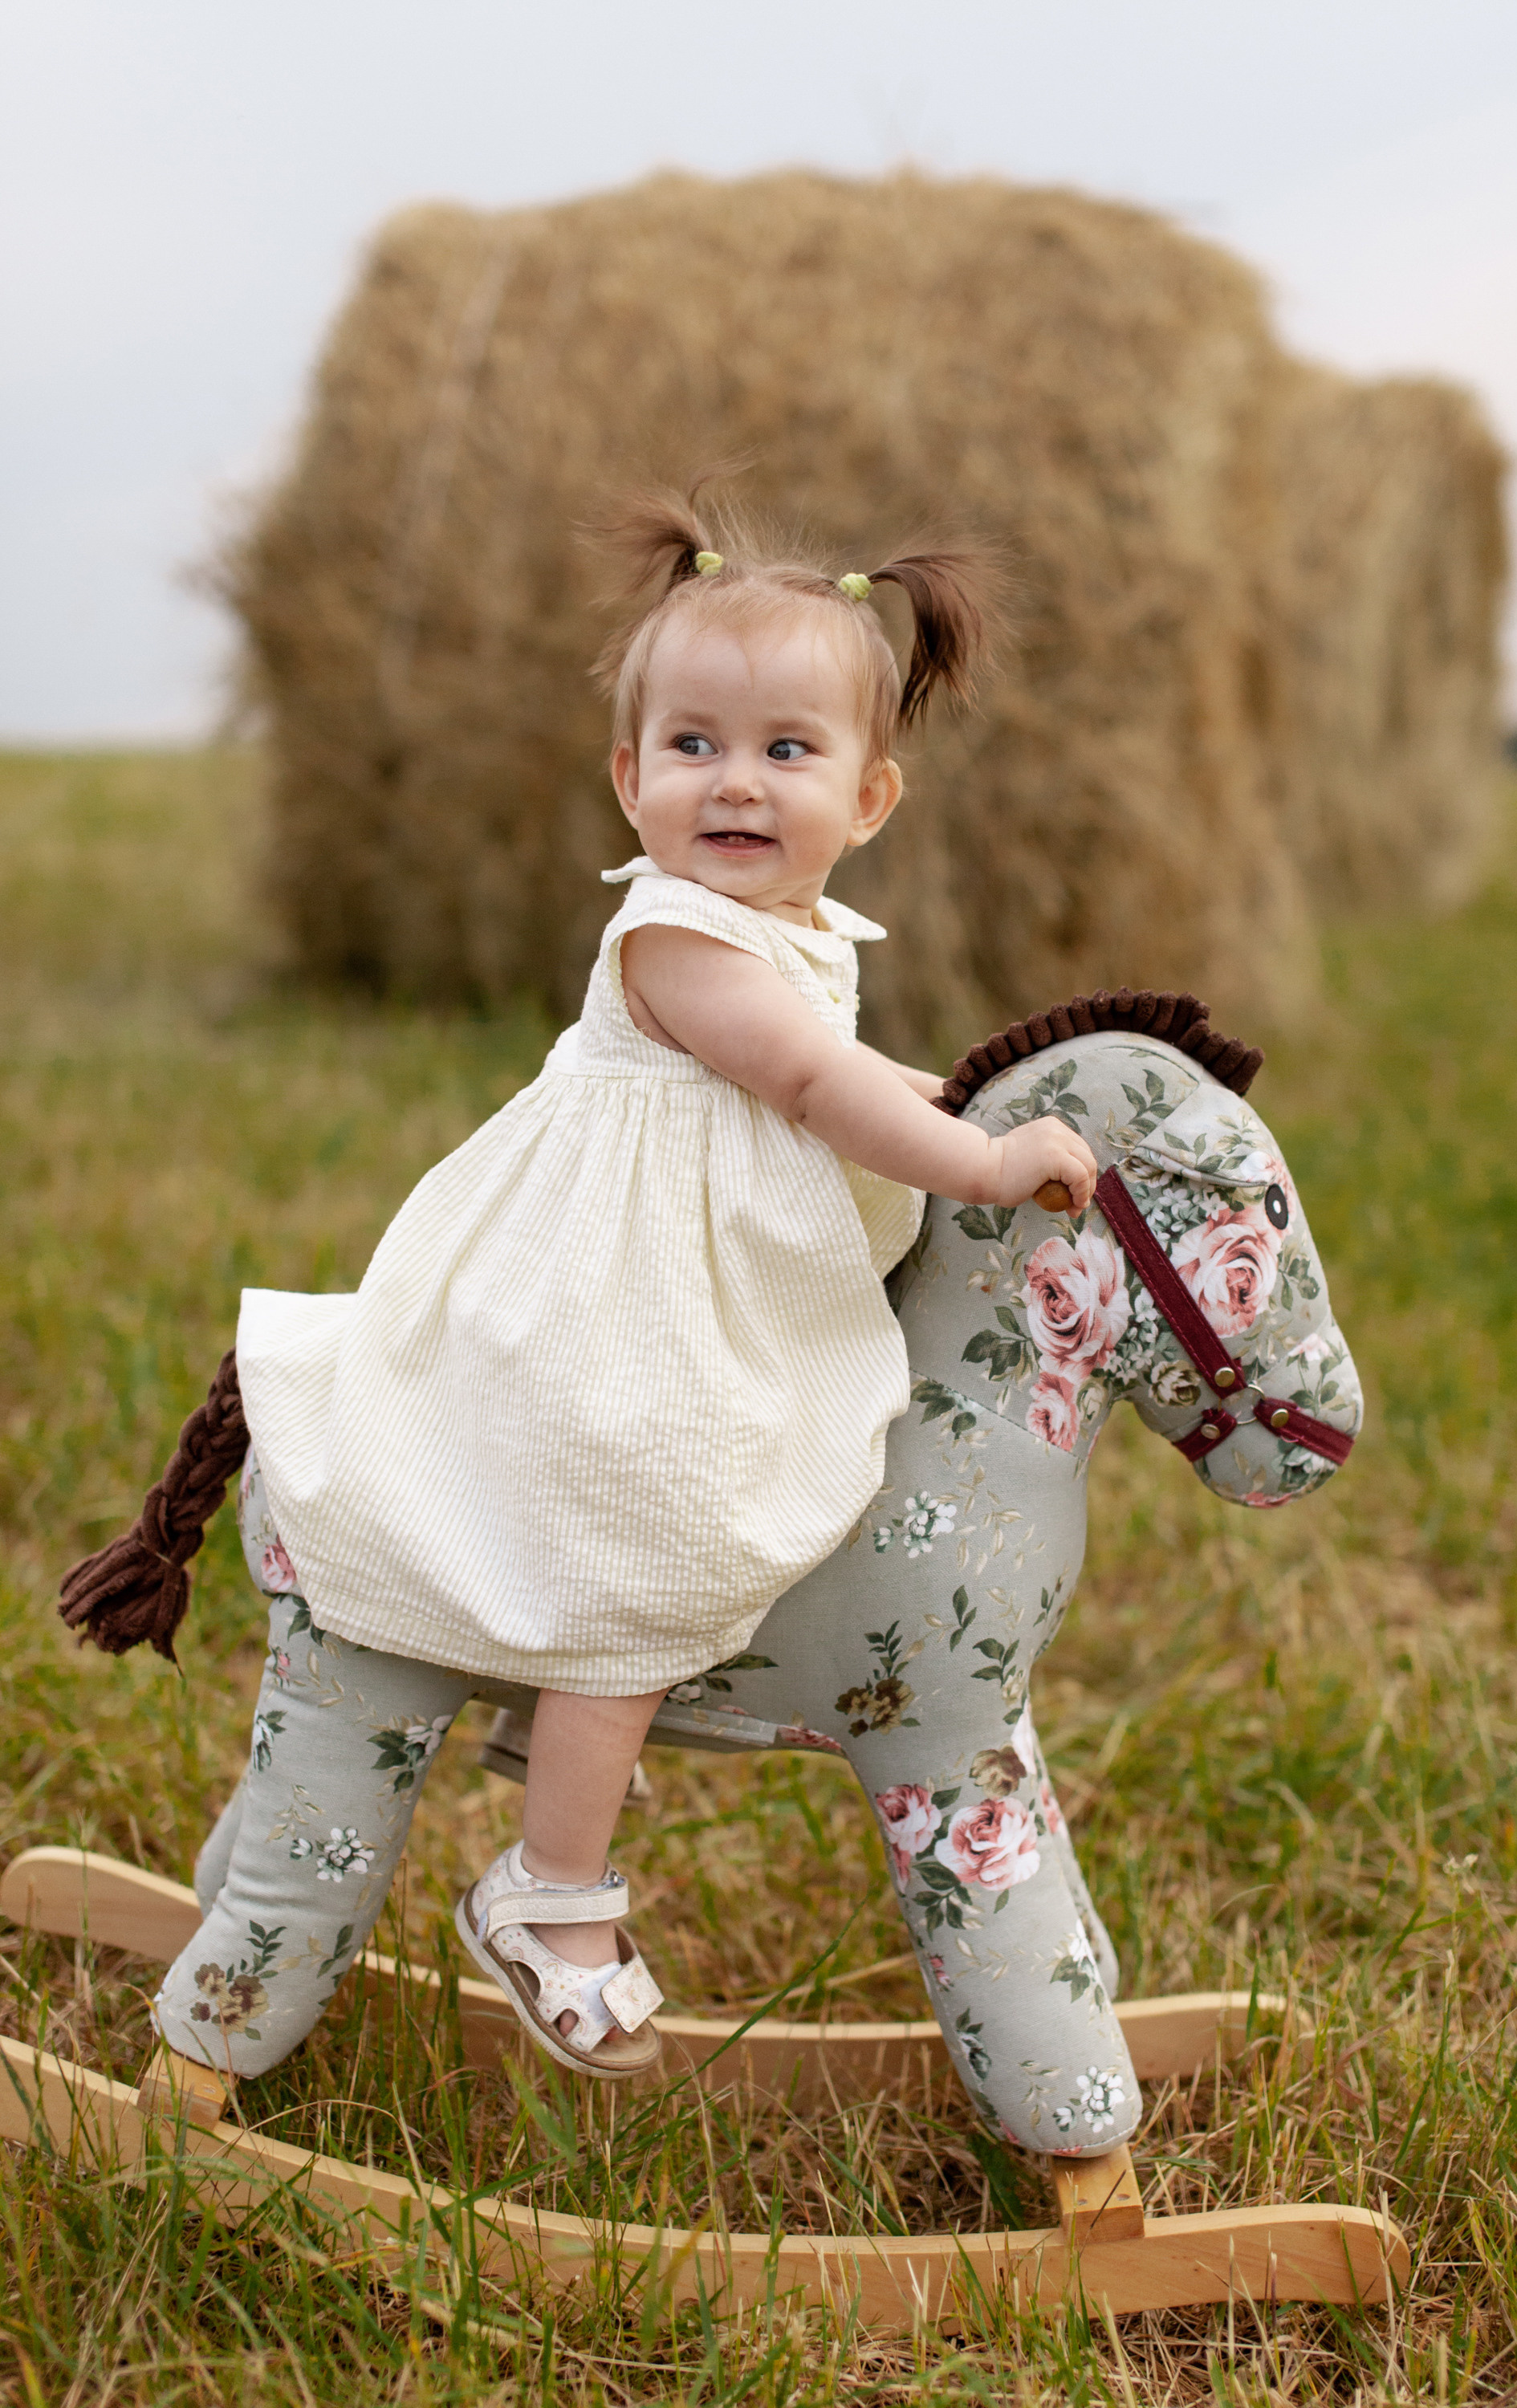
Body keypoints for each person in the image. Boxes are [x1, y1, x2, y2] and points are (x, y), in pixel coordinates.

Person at [231, 489, 1100, 2077]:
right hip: (610, 1314)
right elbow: (816, 1085)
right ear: (630, 779)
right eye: (692, 745)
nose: (736, 782)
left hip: (692, 1291)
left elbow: (839, 1058)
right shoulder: (680, 940)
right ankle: (550, 1892)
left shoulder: (796, 934)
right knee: (656, 1537)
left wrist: (941, 1094)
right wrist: (970, 1163)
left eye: (787, 751)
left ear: (871, 796)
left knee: (713, 1483)